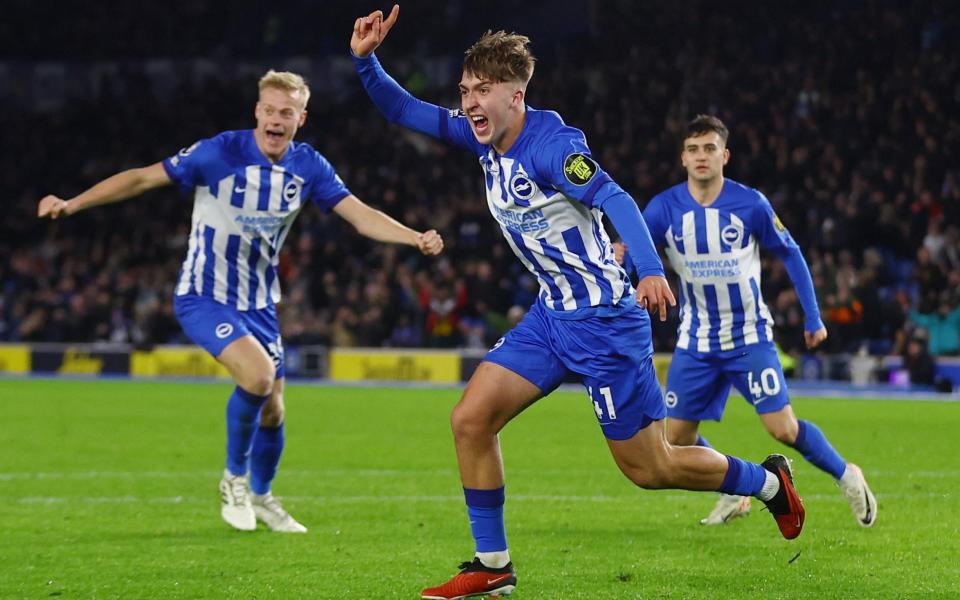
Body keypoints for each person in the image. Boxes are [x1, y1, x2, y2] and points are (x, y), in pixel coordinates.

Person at [350, 8, 805, 599]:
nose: (469, 104)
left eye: (482, 91)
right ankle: (493, 566)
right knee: (470, 419)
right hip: (551, 317)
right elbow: (404, 110)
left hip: (606, 323)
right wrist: (366, 60)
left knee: (651, 468)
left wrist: (647, 269)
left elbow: (614, 197)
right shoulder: (481, 135)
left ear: (518, 95)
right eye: (465, 91)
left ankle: (768, 484)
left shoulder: (553, 146)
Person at [37, 69, 444, 533]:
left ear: (300, 119)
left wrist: (414, 238)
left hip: (259, 304)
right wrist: (71, 204)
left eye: (286, 113)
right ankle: (233, 479)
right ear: (257, 112)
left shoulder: (307, 166)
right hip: (203, 295)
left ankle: (263, 495)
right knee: (258, 376)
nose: (276, 119)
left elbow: (360, 215)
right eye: (269, 110)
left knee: (274, 408)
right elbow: (141, 180)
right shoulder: (219, 152)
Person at [631, 114, 876, 528]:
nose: (701, 156)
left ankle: (847, 475)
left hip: (748, 336)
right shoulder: (663, 208)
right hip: (696, 339)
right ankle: (733, 489)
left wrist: (813, 316)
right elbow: (635, 247)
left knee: (782, 429)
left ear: (724, 155)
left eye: (709, 148)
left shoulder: (750, 204)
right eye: (693, 150)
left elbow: (791, 253)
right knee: (676, 440)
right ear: (683, 159)